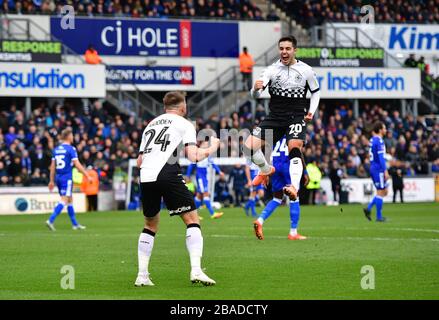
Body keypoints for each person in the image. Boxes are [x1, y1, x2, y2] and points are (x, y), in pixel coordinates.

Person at [134, 91, 220, 287]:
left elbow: (139, 161)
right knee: (192, 220)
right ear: (183, 107)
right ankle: (196, 271)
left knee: (150, 225)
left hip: (146, 176)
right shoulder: (184, 123)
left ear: (164, 107)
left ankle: (142, 275)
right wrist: (212, 147)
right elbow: (193, 156)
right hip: (167, 173)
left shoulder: (150, 125)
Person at [243, 36, 320, 203]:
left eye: (288, 49)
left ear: (294, 50)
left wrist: (311, 111)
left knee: (294, 147)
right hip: (275, 117)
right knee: (247, 148)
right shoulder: (271, 70)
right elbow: (256, 93)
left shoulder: (306, 70)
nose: (284, 52)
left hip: (296, 116)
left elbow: (316, 92)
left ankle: (294, 187)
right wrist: (255, 90)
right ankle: (265, 169)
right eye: (282, 49)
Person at [253, 136, 309, 240]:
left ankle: (260, 220)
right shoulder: (293, 134)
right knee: (294, 196)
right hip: (288, 166)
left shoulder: (275, 135)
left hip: (275, 166)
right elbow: (298, 153)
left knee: (277, 198)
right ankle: (293, 232)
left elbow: (267, 153)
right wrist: (305, 171)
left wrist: (265, 172)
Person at [46, 128, 91, 231]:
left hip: (58, 177)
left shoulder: (56, 149)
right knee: (65, 199)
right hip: (66, 178)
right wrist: (86, 175)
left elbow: (52, 167)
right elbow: (77, 164)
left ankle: (75, 224)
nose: (73, 137)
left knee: (70, 199)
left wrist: (51, 180)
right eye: (72, 135)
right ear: (68, 136)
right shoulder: (71, 149)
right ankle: (50, 220)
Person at [186, 152, 224, 219]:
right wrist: (188, 175)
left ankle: (193, 214)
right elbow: (191, 165)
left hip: (204, 178)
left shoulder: (207, 156)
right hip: (200, 177)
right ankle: (212, 213)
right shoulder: (198, 156)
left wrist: (219, 171)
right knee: (205, 194)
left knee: (199, 196)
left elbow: (213, 164)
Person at [363, 121, 389, 222]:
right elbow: (381, 158)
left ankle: (369, 208)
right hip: (378, 169)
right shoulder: (379, 141)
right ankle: (378, 216)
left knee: (384, 191)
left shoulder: (372, 140)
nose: (386, 130)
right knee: (381, 191)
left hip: (373, 167)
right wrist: (385, 170)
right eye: (384, 128)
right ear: (380, 130)